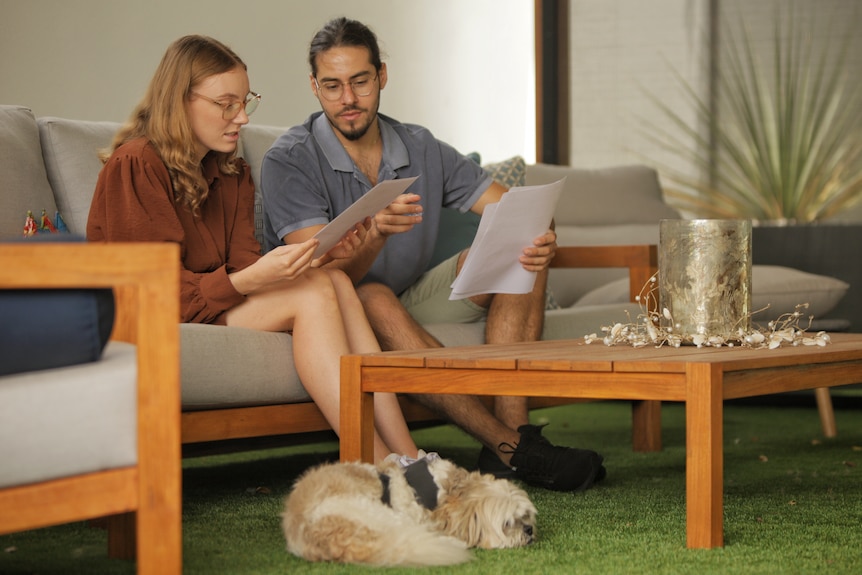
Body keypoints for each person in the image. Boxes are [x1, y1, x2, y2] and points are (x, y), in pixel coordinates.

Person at [261, 18, 606, 492]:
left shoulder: (420, 144)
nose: (348, 99)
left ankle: (514, 440)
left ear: (382, 75)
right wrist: (374, 236)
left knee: (523, 244)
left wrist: (543, 232)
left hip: (413, 293)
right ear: (314, 87)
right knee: (374, 294)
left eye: (360, 81)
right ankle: (510, 446)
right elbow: (319, 276)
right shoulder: (290, 158)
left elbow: (515, 207)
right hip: (344, 307)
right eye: (332, 86)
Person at [86, 34, 420, 464]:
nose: (242, 117)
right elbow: (153, 293)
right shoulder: (136, 164)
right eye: (226, 104)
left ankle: (410, 456)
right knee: (314, 292)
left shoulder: (231, 170)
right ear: (180, 101)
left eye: (245, 102)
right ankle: (379, 465)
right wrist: (250, 278)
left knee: (331, 277)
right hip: (150, 311)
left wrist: (318, 256)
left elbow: (244, 264)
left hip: (211, 303)